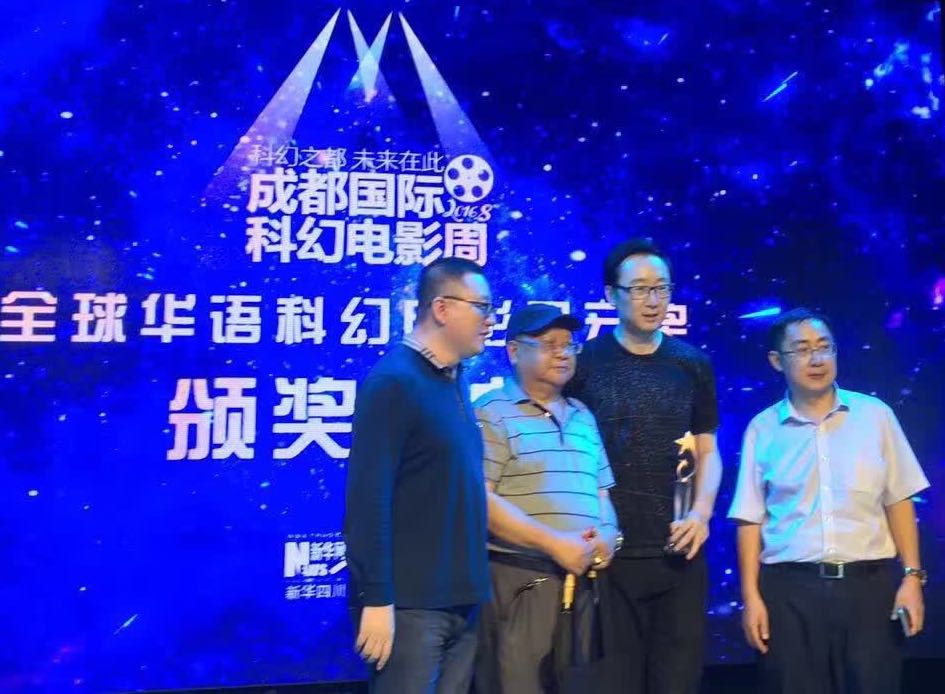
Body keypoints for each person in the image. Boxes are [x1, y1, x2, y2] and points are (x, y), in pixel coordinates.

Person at [729, 307, 929, 693]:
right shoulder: (762, 429)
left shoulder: (875, 416)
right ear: (776, 361)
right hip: (790, 595)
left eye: (825, 347)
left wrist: (912, 577)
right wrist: (751, 597)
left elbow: (899, 499)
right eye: (802, 349)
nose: (817, 359)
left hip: (869, 591)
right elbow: (749, 520)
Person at [565, 237, 723, 693]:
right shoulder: (584, 364)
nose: (653, 300)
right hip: (609, 558)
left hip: (679, 555)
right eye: (639, 289)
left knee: (677, 682)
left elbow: (708, 450)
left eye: (662, 288)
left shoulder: (691, 364)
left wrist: (701, 514)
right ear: (611, 294)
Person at [344, 257, 496, 693]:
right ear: (442, 308)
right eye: (481, 307)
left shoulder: (453, 380)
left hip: (461, 601)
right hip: (411, 606)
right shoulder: (394, 382)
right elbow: (368, 499)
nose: (490, 320)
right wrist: (377, 597)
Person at [474, 304, 621, 694]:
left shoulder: (583, 415)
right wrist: (554, 543)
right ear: (513, 351)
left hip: (583, 582)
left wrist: (610, 535)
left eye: (569, 344)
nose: (562, 353)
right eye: (548, 344)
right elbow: (480, 502)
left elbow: (602, 492)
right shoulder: (491, 412)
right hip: (519, 579)